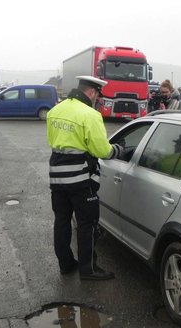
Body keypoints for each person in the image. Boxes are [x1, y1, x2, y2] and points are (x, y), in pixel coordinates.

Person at [46, 75, 123, 281]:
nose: (98, 100)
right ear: (92, 92)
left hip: (57, 178)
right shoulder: (89, 115)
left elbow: (52, 141)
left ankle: (66, 264)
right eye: (98, 95)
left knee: (61, 221)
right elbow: (101, 149)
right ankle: (89, 269)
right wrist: (117, 150)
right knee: (87, 224)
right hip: (81, 180)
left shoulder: (55, 110)